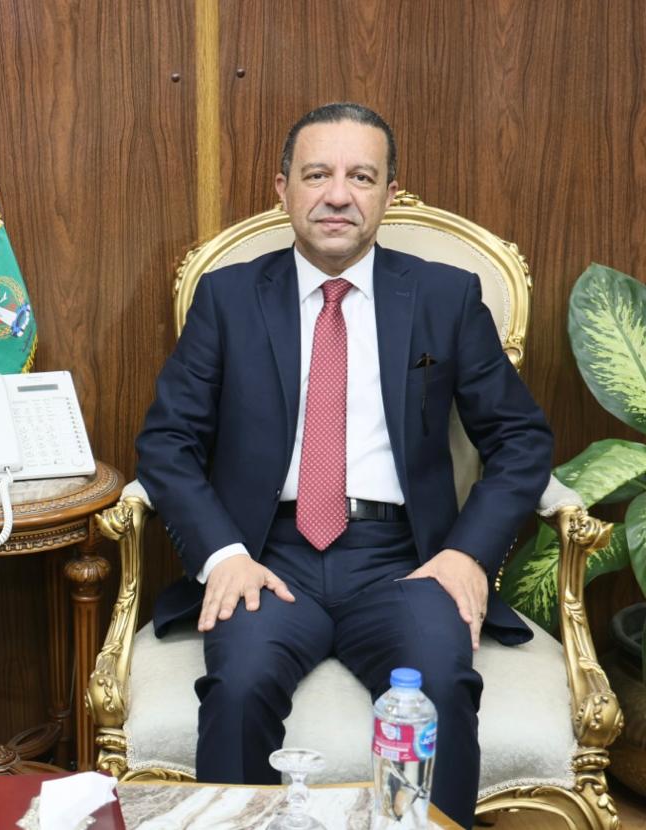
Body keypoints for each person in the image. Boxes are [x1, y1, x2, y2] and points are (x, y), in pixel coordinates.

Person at [136, 102, 552, 828]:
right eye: (316, 175)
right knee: (237, 687)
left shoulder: (445, 296)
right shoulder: (228, 298)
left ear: (389, 193)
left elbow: (521, 439)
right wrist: (224, 557)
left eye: (361, 177)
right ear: (283, 189)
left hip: (405, 560)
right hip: (267, 558)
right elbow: (167, 442)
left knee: (441, 686)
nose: (337, 195)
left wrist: (467, 556)